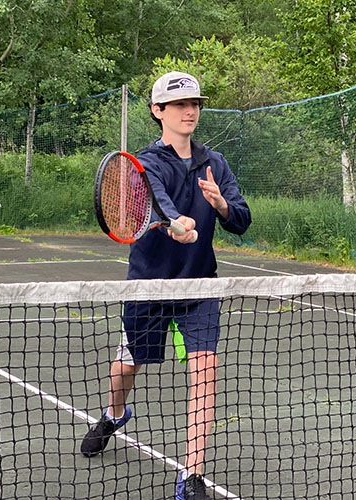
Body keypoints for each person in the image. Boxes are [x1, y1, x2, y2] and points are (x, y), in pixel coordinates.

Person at [80, 71, 251, 500]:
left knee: (205, 371)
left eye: (194, 103)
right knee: (127, 367)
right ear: (158, 112)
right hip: (149, 287)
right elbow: (157, 199)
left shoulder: (216, 163)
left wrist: (222, 205)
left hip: (199, 288)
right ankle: (114, 414)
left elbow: (242, 220)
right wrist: (177, 223)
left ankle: (191, 476)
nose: (190, 111)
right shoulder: (145, 163)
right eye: (179, 105)